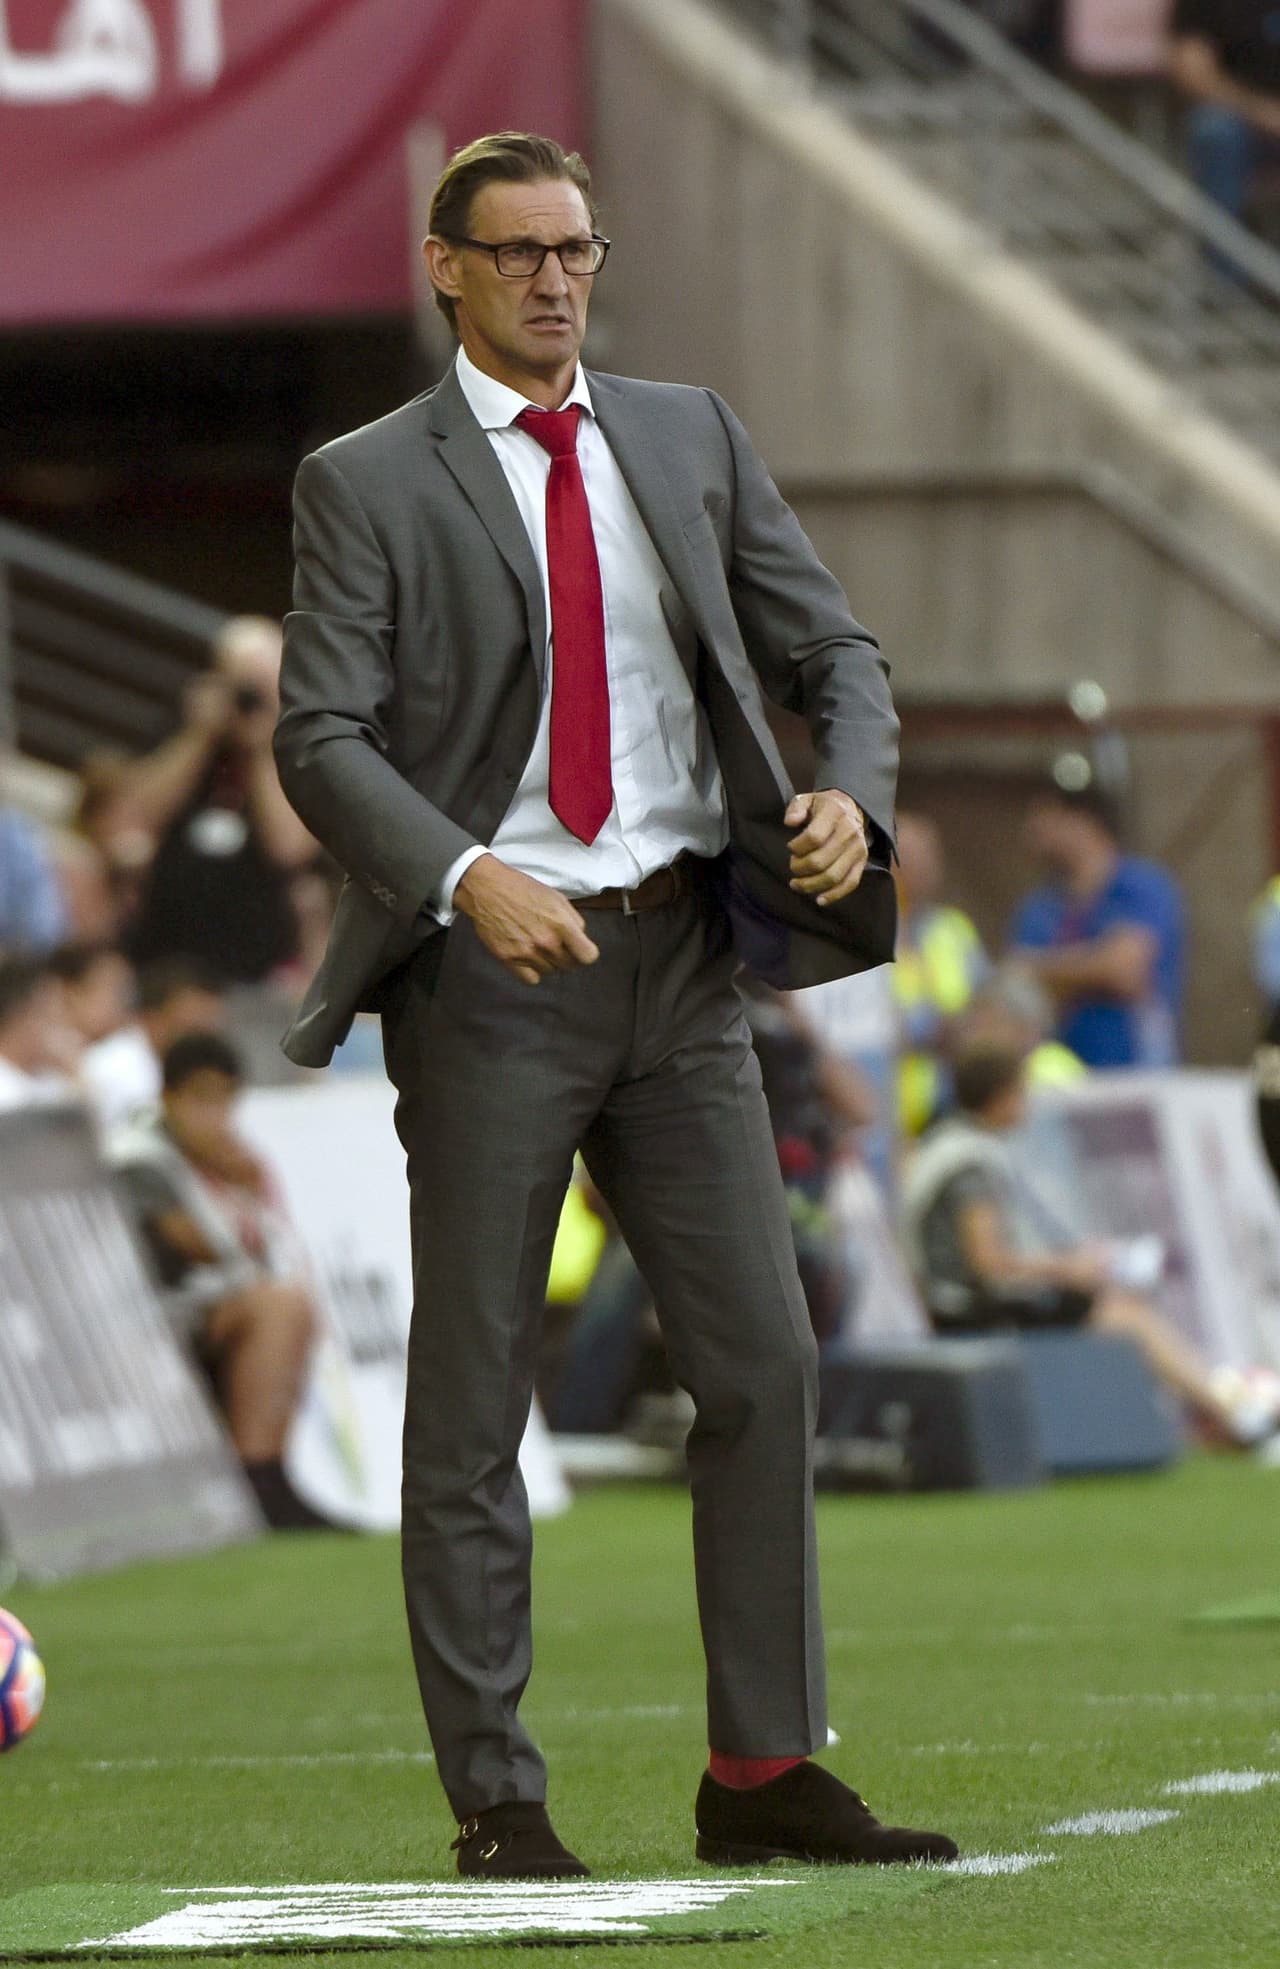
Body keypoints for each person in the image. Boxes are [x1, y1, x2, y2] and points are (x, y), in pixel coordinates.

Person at [273, 131, 955, 1879]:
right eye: (518, 254)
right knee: (475, 1390)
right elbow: (320, 736)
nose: (558, 281)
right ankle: (499, 1799)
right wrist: (458, 872)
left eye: (577, 249)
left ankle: (760, 1768)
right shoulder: (364, 479)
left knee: (765, 1362)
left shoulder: (689, 431)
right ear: (447, 268)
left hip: (686, 959)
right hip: (495, 975)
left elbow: (841, 659)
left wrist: (847, 801)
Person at [901, 1040, 1279, 1455]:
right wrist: (1069, 1268)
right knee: (1123, 1314)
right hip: (968, 1308)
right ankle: (1237, 1416)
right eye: (1022, 1093)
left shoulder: (941, 1144)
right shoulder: (970, 1163)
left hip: (950, 1301)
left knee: (1114, 1305)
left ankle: (1220, 1409)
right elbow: (989, 1263)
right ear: (1002, 1097)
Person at [107, 1033, 329, 1528]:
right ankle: (259, 1479)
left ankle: (273, 1473)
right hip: (142, 1316)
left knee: (292, 1303)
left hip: (201, 1308)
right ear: (169, 1097)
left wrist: (246, 1186)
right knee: (278, 1308)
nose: (216, 1117)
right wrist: (230, 1182)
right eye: (202, 1100)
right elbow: (201, 1246)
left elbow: (266, 1249)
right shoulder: (138, 1158)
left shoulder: (215, 1161)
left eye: (226, 1101)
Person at [122, 617, 316, 984]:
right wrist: (199, 735)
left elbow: (289, 849)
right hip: (161, 954)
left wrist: (261, 749)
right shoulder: (184, 730)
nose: (248, 701)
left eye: (262, 688)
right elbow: (138, 814)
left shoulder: (295, 749)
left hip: (252, 967)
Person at [1008, 782, 1185, 1069]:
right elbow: (1018, 982)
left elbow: (1123, 970)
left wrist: (1045, 970)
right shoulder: (1039, 907)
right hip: (1061, 1075)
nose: (1032, 831)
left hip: (1137, 1071)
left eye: (1045, 819)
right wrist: (1094, 964)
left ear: (1082, 822)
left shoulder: (1141, 887)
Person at [891, 810, 987, 1136]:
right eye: (912, 858)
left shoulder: (953, 928)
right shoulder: (858, 939)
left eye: (931, 856)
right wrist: (929, 1030)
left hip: (961, 1109)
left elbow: (988, 1005)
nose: (926, 868)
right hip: (894, 1120)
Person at [80, 957, 227, 1136]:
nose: (201, 1043)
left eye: (208, 1029)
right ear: (150, 1018)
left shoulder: (180, 1070)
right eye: (191, 1027)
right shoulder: (114, 1070)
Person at [1168, 3, 1280, 231]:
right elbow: (1194, 75)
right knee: (1215, 131)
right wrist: (1263, 112)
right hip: (1243, 121)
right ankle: (1221, 262)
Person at [0, 952, 76, 1111]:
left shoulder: (53, 1079)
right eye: (50, 1017)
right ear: (23, 1015)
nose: (64, 1030)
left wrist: (74, 1074)